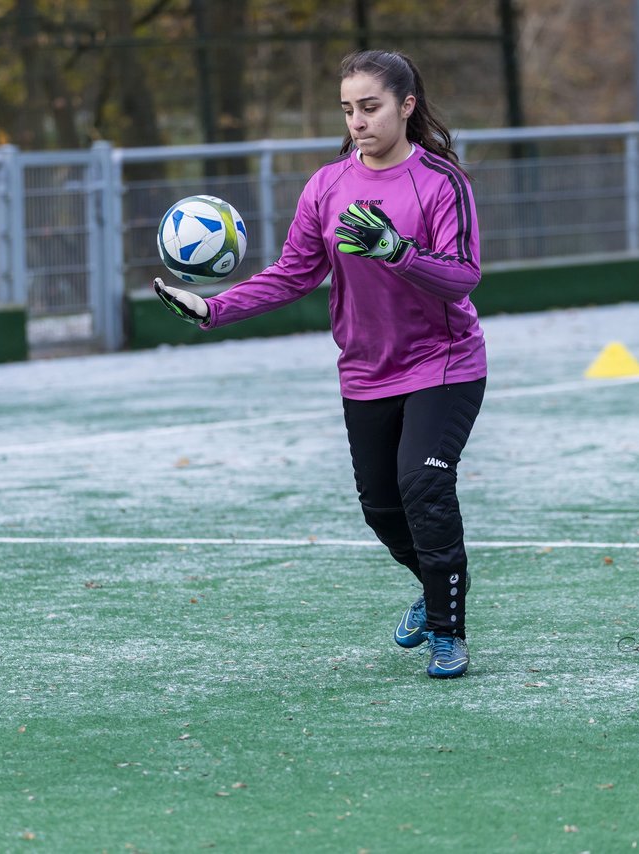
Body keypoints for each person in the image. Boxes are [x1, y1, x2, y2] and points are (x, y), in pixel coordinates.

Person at [153, 49, 486, 679]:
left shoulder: (442, 182)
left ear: (406, 106)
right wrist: (212, 309)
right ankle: (438, 584)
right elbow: (292, 275)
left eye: (370, 107)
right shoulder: (327, 186)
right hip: (366, 370)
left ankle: (448, 631)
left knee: (424, 485)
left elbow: (463, 277)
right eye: (348, 109)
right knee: (382, 509)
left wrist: (396, 250)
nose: (357, 121)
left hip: (444, 363)